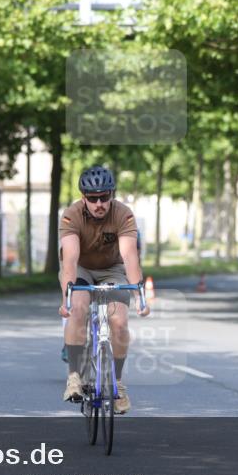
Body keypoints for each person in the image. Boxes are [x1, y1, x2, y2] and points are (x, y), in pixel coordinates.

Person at [58, 165, 149, 414]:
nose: (99, 203)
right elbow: (69, 258)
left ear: (112, 194)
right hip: (81, 268)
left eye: (104, 197)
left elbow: (130, 256)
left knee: (119, 322)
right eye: (92, 198)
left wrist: (138, 295)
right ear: (83, 197)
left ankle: (118, 384)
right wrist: (66, 297)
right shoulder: (71, 215)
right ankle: (75, 376)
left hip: (112, 270)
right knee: (78, 308)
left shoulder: (123, 214)